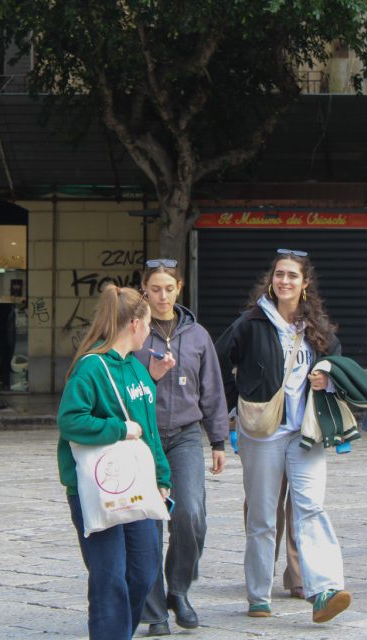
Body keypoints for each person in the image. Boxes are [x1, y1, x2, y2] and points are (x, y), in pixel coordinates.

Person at [216, 249, 352, 624]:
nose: (285, 281)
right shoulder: (251, 322)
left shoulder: (316, 327)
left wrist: (326, 379)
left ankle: (324, 590)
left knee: (311, 507)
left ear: (305, 283)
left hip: (305, 432)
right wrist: (235, 404)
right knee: (262, 516)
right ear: (272, 280)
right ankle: (259, 595)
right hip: (263, 433)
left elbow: (337, 363)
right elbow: (218, 361)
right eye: (280, 274)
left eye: (292, 275)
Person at [57, 285, 171, 640]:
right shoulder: (91, 367)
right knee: (109, 577)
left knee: (144, 570)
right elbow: (70, 421)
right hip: (96, 487)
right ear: (135, 324)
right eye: (148, 323)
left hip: (137, 484)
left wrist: (162, 477)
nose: (150, 331)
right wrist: (119, 429)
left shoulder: (138, 370)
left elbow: (150, 430)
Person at [135, 259, 229, 636]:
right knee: (147, 523)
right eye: (155, 289)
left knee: (190, 514)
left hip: (186, 434)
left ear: (179, 290)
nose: (162, 296)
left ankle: (178, 589)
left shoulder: (197, 334)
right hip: (142, 436)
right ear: (144, 290)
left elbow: (213, 388)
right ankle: (154, 610)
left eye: (169, 289)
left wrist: (218, 439)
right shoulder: (135, 331)